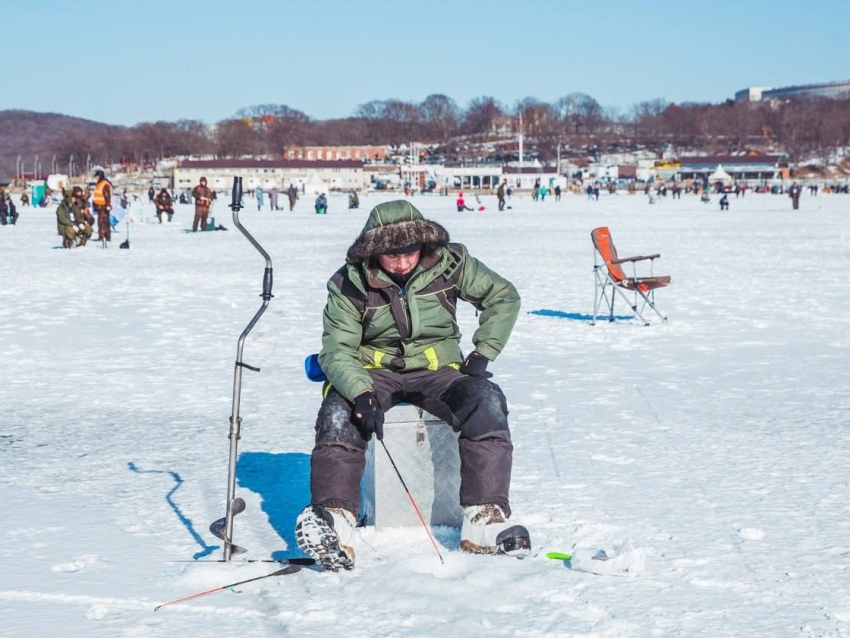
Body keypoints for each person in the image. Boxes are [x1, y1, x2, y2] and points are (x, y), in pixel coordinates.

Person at [294, 200, 530, 571]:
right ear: (374, 251)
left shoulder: (452, 263)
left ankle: (484, 517)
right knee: (339, 413)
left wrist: (484, 352)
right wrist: (361, 392)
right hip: (373, 370)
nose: (403, 262)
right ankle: (335, 519)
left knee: (486, 401)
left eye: (410, 252)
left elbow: (502, 296)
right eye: (392, 255)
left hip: (439, 369)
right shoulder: (348, 283)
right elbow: (337, 349)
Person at [92, 169, 112, 244]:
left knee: (103, 222)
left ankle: (105, 236)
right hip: (99, 207)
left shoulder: (104, 184)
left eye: (96, 176)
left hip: (103, 206)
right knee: (100, 222)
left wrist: (108, 205)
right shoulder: (99, 183)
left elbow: (107, 196)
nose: (96, 178)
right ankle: (102, 236)